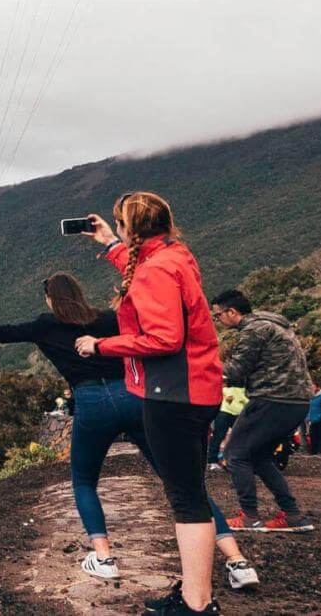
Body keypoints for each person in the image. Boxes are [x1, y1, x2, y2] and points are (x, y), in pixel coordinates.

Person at [0, 274, 257, 591]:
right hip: (133, 399)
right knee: (182, 482)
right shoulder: (108, 319)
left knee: (84, 481)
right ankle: (238, 561)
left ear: (50, 299)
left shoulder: (45, 325)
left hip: (91, 403)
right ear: (80, 293)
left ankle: (103, 557)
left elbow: (0, 332)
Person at [73, 192, 225, 615]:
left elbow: (163, 337)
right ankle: (198, 592)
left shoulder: (156, 270)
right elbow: (145, 276)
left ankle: (196, 604)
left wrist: (101, 345)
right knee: (189, 492)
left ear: (131, 229)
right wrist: (109, 245)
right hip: (197, 389)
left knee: (186, 497)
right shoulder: (174, 256)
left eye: (119, 224)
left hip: (173, 395)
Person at [211, 289, 315, 533]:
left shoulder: (254, 331)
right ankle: (292, 515)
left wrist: (200, 369)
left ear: (232, 312)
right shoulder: (275, 326)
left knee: (235, 453)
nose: (218, 320)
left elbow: (235, 371)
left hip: (272, 398)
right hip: (296, 401)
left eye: (218, 315)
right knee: (259, 457)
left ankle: (249, 516)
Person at [208, 386, 248, 469]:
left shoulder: (245, 389)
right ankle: (212, 460)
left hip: (238, 415)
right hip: (224, 413)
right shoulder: (224, 387)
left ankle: (237, 460)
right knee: (218, 437)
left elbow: (247, 402)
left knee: (241, 438)